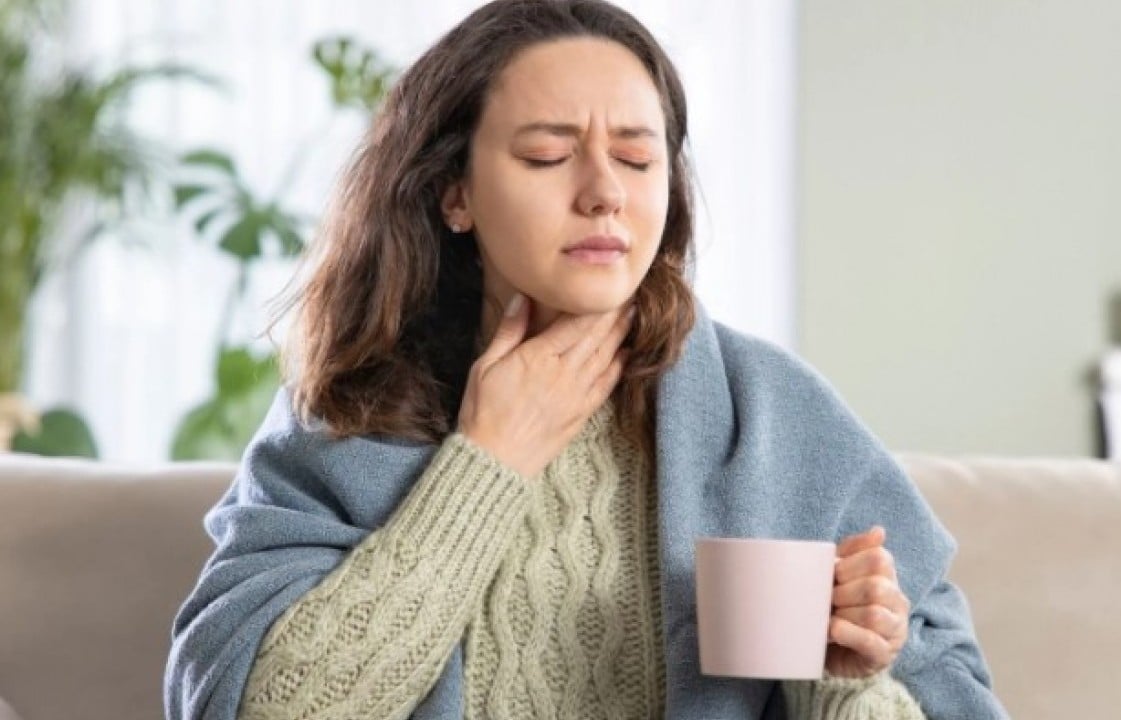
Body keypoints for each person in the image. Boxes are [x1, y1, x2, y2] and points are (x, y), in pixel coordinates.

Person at [164, 1, 1008, 718]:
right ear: (453, 192)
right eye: (547, 155)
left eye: (638, 158)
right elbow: (249, 704)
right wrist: (488, 463)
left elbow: (954, 696)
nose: (605, 189)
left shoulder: (775, 414)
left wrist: (843, 680)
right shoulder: (350, 409)